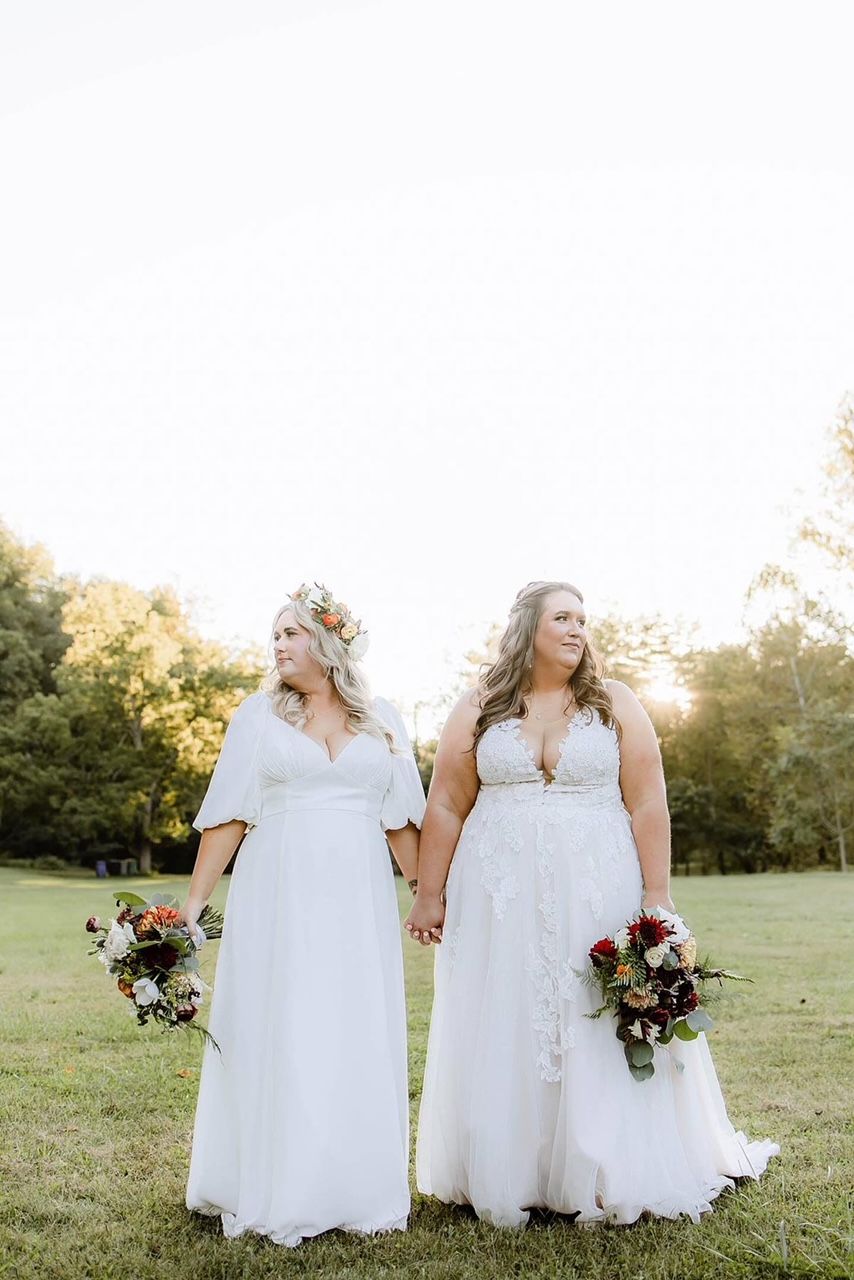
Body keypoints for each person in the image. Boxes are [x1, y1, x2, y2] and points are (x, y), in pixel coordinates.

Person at [407, 580, 778, 1227]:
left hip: (596, 885)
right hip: (500, 893)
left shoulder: (617, 705)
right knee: (510, 1014)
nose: (578, 630)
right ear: (529, 628)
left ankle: (605, 1161)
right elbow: (444, 801)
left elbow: (648, 799)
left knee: (590, 1012)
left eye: (582, 619)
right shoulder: (478, 706)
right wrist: (430, 893)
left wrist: (657, 898)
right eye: (562, 618)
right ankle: (513, 1163)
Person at [182, 582, 425, 1247]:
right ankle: (275, 1181)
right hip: (278, 889)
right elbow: (229, 813)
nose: (279, 643)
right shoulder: (258, 716)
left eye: (291, 632)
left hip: (357, 898)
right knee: (283, 1022)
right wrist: (193, 909)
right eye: (277, 634)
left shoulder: (385, 718)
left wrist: (427, 895)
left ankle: (353, 1183)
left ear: (329, 641)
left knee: (350, 1024)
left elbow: (402, 819)